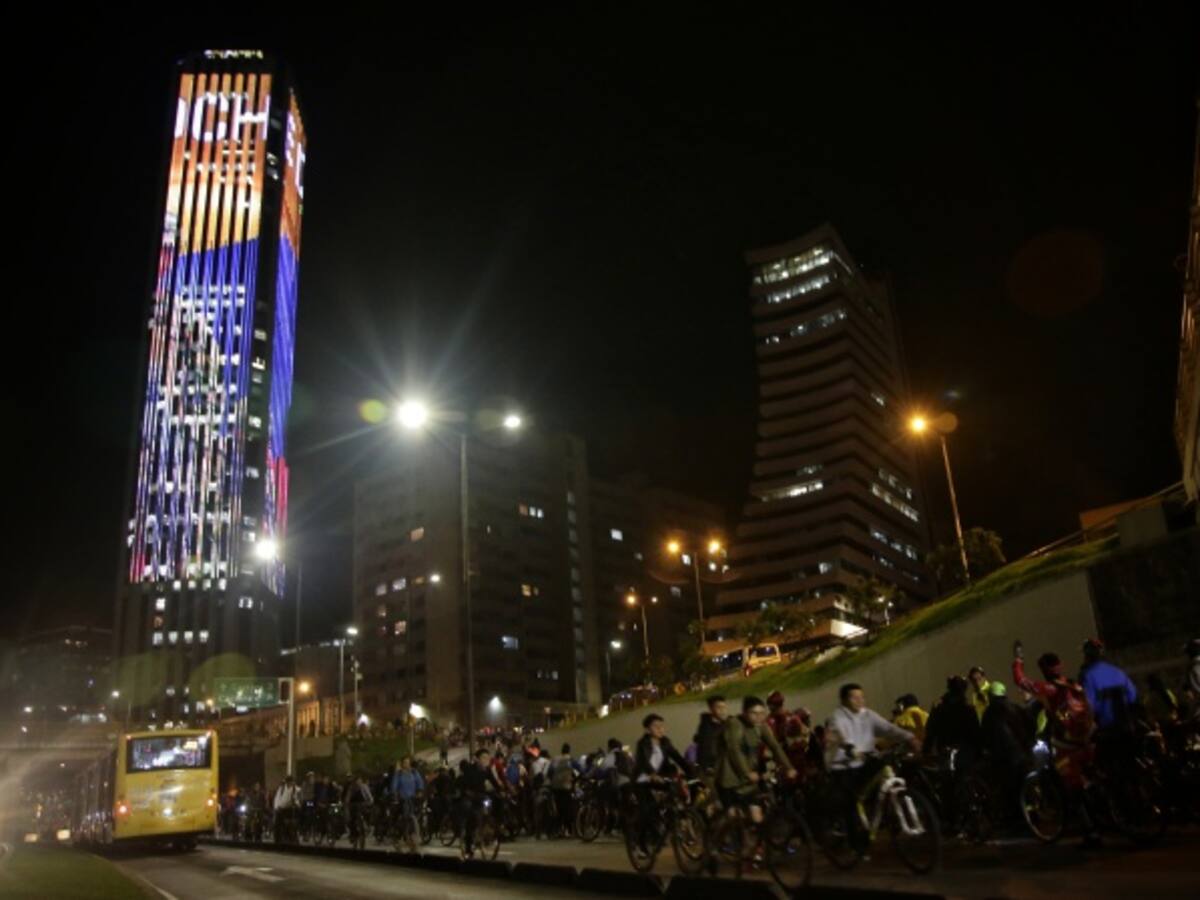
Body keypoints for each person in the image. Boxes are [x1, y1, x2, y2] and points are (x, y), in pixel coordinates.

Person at [717, 696, 797, 826]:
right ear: (744, 713)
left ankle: (758, 842)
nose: (759, 717)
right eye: (754, 713)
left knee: (757, 816)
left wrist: (789, 767)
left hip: (748, 779)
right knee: (732, 818)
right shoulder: (735, 724)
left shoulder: (761, 725)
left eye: (762, 713)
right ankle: (716, 837)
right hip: (730, 778)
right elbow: (734, 750)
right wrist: (747, 772)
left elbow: (775, 746)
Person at [1078, 639, 1137, 734]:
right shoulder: (1118, 672)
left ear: (1087, 656)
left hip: (1106, 729)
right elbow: (1132, 696)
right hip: (1126, 726)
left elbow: (1089, 705)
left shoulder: (1087, 675)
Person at [693, 695, 727, 774]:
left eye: (724, 707)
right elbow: (705, 748)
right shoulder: (706, 728)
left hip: (723, 766)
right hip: (712, 768)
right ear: (711, 709)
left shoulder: (726, 723)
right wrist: (707, 766)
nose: (723, 710)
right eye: (719, 707)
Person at [549, 743, 579, 836]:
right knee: (568, 808)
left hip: (555, 787)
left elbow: (549, 772)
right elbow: (580, 769)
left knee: (558, 808)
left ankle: (558, 829)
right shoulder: (571, 759)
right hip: (566, 787)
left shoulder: (555, 759)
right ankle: (568, 829)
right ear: (569, 750)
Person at [390, 756, 424, 820]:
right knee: (403, 812)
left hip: (413, 797)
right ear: (402, 764)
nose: (406, 764)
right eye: (405, 763)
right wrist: (394, 793)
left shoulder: (414, 772)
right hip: (402, 797)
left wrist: (420, 790)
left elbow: (419, 782)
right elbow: (394, 785)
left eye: (408, 763)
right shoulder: (398, 774)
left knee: (419, 810)